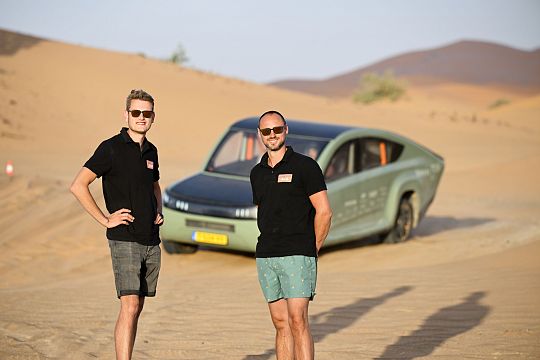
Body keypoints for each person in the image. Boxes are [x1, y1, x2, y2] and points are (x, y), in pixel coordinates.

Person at [70, 89, 163, 360]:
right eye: (136, 113)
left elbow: (154, 185)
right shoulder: (110, 148)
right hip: (124, 238)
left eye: (146, 113)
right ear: (126, 115)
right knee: (130, 304)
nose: (141, 118)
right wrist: (105, 219)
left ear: (153, 117)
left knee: (137, 307)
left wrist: (158, 209)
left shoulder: (151, 151)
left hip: (151, 240)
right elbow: (78, 185)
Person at [250, 110, 332, 360]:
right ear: (260, 135)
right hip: (266, 255)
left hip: (298, 253)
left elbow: (325, 212)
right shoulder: (257, 172)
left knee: (298, 321)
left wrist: (313, 247)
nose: (272, 135)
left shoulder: (306, 166)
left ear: (286, 130)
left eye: (277, 129)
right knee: (280, 322)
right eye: (266, 131)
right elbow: (265, 211)